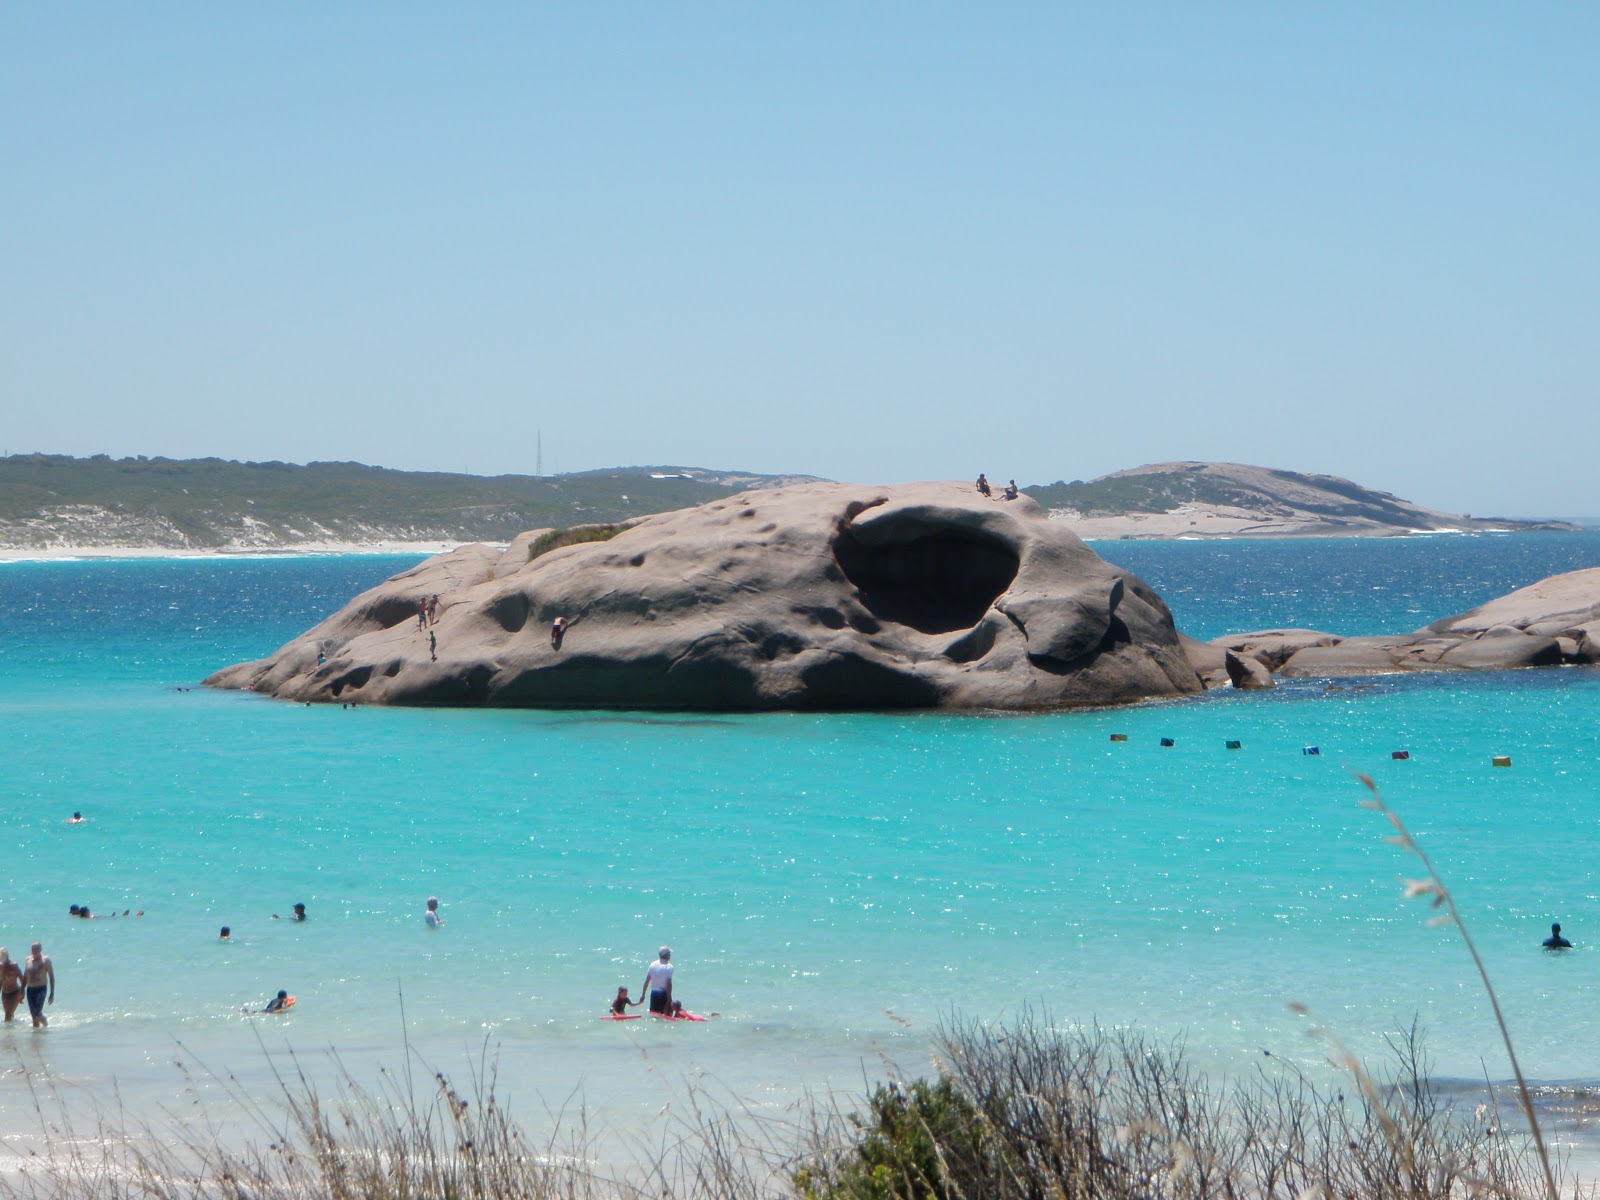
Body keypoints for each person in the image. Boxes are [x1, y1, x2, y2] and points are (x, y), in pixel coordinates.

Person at [23, 942, 54, 1029]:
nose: (35, 951)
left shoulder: (46, 960)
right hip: (30, 990)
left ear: (40, 949)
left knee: (37, 1014)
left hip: (41, 989)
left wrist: (52, 993)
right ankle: (36, 1038)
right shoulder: (28, 960)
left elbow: (51, 977)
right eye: (33, 949)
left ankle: (45, 1025)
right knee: (34, 1016)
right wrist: (21, 991)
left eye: (36, 949)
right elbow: (25, 977)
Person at [640, 946, 674, 1015]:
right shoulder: (669, 966)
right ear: (666, 955)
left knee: (654, 1015)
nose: (670, 955)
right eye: (669, 953)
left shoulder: (652, 964)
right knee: (666, 1015)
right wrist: (669, 998)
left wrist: (643, 995)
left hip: (654, 994)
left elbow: (647, 980)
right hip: (663, 994)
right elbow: (668, 983)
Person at [0, 949, 23, 1023]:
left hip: (15, 992)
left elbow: (22, 979)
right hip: (5, 994)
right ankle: (13, 1031)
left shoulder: (14, 966)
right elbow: (0, 981)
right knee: (9, 1014)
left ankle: (7, 1034)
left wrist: (23, 993)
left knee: (7, 1015)